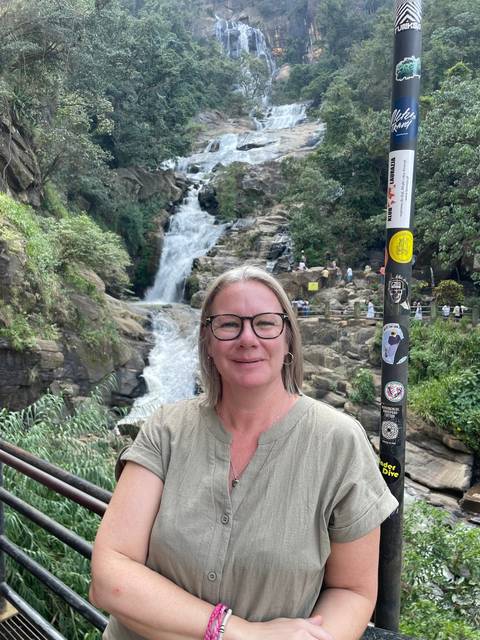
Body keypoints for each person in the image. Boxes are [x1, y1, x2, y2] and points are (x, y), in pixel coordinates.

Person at [90, 266, 398, 640]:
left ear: (288, 339)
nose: (247, 338)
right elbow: (109, 575)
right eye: (229, 324)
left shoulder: (340, 443)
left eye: (265, 324)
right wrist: (238, 632)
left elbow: (352, 590)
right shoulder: (166, 428)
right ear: (207, 339)